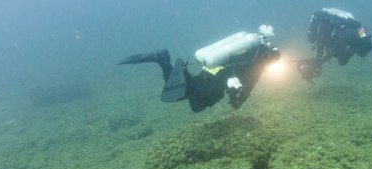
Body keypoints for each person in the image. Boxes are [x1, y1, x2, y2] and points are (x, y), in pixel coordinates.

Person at [118, 25, 280, 113]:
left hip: (209, 72)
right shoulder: (257, 63)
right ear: (269, 59)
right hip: (217, 83)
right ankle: (169, 63)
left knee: (179, 93)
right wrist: (237, 102)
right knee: (196, 104)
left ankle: (166, 62)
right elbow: (248, 86)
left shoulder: (249, 53)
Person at [296, 8, 372, 83]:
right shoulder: (324, 26)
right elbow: (335, 55)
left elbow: (326, 49)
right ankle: (364, 32)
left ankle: (309, 68)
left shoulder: (321, 30)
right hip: (345, 34)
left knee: (339, 59)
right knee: (355, 42)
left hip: (344, 36)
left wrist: (318, 60)